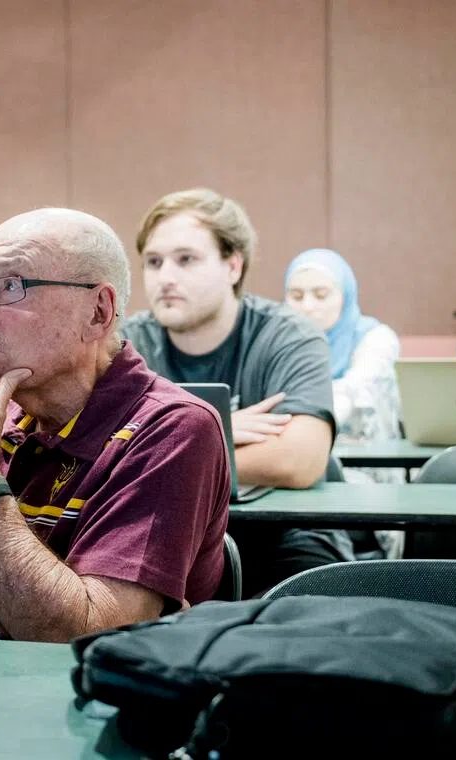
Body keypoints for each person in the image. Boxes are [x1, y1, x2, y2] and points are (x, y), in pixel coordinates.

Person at [0, 208, 230, 642]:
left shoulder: (172, 428)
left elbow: (83, 633)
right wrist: (22, 604)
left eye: (9, 287)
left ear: (98, 311)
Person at [120, 188, 346, 596]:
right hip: (168, 533)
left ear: (233, 266)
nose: (165, 276)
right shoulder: (126, 344)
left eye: (186, 259)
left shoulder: (289, 336)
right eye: (153, 262)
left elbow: (301, 459)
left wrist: (169, 444)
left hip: (286, 537)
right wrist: (217, 433)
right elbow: (92, 460)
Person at [284, 248, 402, 477]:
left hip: (368, 470)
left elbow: (354, 388)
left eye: (321, 295)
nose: (307, 306)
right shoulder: (280, 343)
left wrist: (305, 427)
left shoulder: (376, 337)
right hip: (293, 466)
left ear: (345, 295)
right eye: (296, 296)